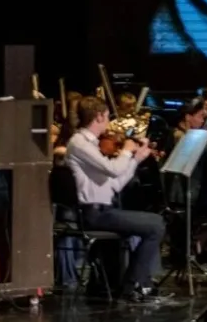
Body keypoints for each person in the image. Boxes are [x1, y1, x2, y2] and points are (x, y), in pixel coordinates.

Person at [63, 96, 166, 302]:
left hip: (104, 209)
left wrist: (136, 159)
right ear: (99, 116)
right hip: (93, 213)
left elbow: (115, 184)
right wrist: (126, 151)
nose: (109, 122)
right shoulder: (80, 143)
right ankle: (134, 284)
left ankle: (133, 283)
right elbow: (113, 169)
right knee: (155, 226)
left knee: (156, 222)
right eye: (108, 116)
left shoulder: (92, 145)